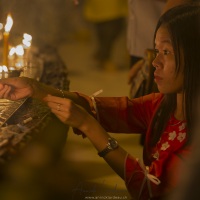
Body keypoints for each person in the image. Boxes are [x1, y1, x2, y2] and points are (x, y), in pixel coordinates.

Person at [0, 3, 200, 199]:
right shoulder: (163, 104)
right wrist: (37, 90)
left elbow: (148, 190)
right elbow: (109, 110)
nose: (155, 62)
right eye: (156, 51)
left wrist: (89, 126)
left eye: (166, 52)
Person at [82, 0, 128, 70]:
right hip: (105, 6)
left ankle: (102, 54)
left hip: (113, 7)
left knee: (115, 27)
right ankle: (105, 58)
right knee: (107, 30)